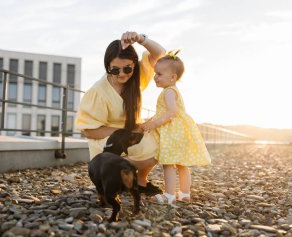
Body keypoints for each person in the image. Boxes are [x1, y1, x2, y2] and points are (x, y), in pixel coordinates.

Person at [75, 31, 166, 195]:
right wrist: (125, 133)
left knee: (164, 140)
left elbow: (160, 54)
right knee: (140, 148)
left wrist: (140, 39)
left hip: (131, 136)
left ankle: (140, 180)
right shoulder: (97, 92)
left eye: (127, 68)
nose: (122, 74)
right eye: (115, 70)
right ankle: (115, 176)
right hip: (107, 141)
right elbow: (90, 130)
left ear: (134, 65)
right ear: (107, 66)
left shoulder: (137, 77)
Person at [141, 50, 211, 205]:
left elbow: (171, 112)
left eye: (159, 74)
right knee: (182, 164)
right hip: (180, 132)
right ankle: (185, 193)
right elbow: (168, 112)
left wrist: (153, 124)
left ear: (173, 77)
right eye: (155, 73)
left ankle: (169, 195)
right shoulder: (173, 90)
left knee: (168, 163)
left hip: (173, 133)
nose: (155, 77)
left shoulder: (169, 92)